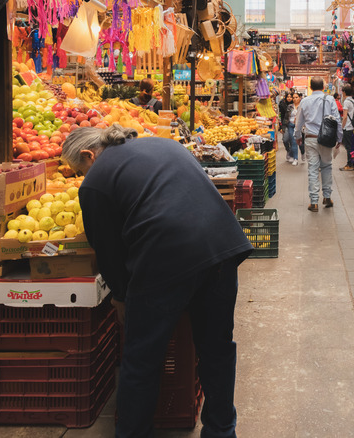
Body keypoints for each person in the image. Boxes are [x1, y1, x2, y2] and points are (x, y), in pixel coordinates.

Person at [61, 125, 253, 438]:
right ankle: (221, 430)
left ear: (88, 155)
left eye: (79, 169)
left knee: (142, 357)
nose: (81, 176)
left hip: (165, 259)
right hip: (221, 247)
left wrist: (121, 296)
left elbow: (107, 248)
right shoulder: (165, 144)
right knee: (217, 349)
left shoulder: (96, 181)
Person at [295, 77, 342, 212]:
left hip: (311, 138)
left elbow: (299, 122)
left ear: (310, 87)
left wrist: (298, 137)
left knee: (313, 169)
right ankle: (327, 197)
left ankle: (314, 202)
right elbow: (337, 120)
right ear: (323, 86)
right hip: (327, 139)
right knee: (326, 167)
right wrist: (339, 137)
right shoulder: (330, 100)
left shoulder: (305, 101)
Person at [339, 85, 354, 171]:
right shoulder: (353, 101)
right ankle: (352, 163)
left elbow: (345, 117)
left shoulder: (346, 102)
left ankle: (350, 164)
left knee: (348, 147)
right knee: (352, 146)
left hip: (348, 127)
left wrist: (342, 126)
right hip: (353, 126)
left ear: (344, 92)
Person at [288, 93, 302, 165]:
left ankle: (301, 153)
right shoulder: (290, 106)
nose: (295, 99)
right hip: (291, 125)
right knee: (293, 141)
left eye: (296, 97)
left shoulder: (302, 106)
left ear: (299, 98)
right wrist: (283, 127)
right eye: (293, 97)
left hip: (299, 126)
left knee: (301, 144)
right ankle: (295, 158)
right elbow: (286, 117)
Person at [278, 92, 292, 157]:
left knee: (292, 140)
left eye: (290, 97)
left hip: (293, 125)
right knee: (285, 139)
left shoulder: (295, 105)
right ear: (285, 97)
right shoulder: (282, 104)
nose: (289, 98)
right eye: (288, 97)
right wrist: (281, 127)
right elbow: (281, 116)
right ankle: (288, 150)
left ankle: (292, 153)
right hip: (285, 124)